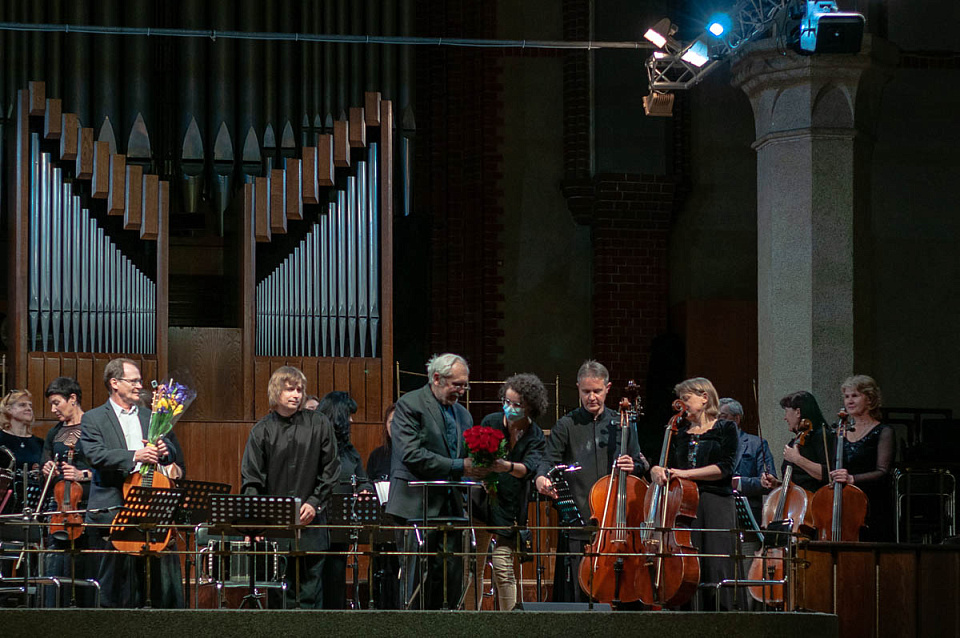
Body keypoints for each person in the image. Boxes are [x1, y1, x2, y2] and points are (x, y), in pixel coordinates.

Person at [535, 360, 648, 603]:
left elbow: (641, 464)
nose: (592, 397)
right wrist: (541, 478)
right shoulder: (566, 425)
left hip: (617, 524)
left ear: (608, 388)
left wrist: (634, 466)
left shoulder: (622, 423)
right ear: (578, 388)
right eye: (586, 391)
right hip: (580, 519)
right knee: (576, 592)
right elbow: (548, 461)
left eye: (597, 391)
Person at [80, 357, 185, 608]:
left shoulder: (151, 416)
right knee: (113, 593)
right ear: (114, 383)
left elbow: (171, 451)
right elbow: (95, 455)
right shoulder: (94, 418)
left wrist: (164, 450)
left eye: (140, 381)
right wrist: (134, 456)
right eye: (134, 381)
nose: (140, 386)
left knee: (150, 591)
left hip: (147, 510)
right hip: (112, 510)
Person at [386, 353, 485, 609]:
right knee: (416, 584)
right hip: (415, 507)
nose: (462, 391)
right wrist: (459, 466)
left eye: (465, 385)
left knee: (450, 582)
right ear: (437, 378)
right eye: (457, 384)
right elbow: (411, 454)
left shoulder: (463, 415)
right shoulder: (410, 404)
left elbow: (466, 456)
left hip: (451, 509)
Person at [241, 366, 340, 608]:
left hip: (312, 528)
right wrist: (255, 523)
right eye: (289, 389)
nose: (296, 394)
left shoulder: (319, 423)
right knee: (279, 599)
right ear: (276, 392)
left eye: (299, 389)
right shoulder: (261, 431)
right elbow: (252, 480)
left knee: (310, 597)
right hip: (276, 532)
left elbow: (331, 469)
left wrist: (314, 503)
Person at [650, 377, 738, 610]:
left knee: (716, 564)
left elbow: (725, 468)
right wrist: (656, 470)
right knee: (688, 562)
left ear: (704, 398)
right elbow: (666, 466)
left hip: (716, 503)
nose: (682, 404)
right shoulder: (680, 433)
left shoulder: (725, 428)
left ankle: (720, 616)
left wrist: (685, 474)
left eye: (686, 398)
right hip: (685, 504)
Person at [472, 373, 548, 611]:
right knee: (474, 565)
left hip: (511, 506)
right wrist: (483, 472)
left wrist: (506, 467)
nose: (509, 408)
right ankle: (469, 620)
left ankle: (509, 623)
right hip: (483, 503)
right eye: (506, 401)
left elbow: (530, 469)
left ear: (530, 407)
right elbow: (476, 457)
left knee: (503, 566)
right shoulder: (491, 422)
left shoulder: (535, 435)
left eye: (517, 404)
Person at [40, 377, 95, 607]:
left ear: (73, 399)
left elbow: (107, 466)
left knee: (86, 560)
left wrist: (83, 474)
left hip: (87, 503)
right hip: (59, 505)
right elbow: (45, 462)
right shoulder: (54, 433)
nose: (53, 409)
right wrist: (47, 469)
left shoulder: (93, 426)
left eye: (57, 403)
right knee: (54, 559)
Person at [316, 390, 374, 609]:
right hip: (317, 524)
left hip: (340, 526)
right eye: (348, 415)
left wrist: (365, 489)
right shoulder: (315, 445)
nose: (351, 420)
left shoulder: (349, 450)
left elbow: (362, 479)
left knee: (336, 578)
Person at [718, 396, 776, 610]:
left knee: (746, 574)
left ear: (736, 419)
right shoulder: (713, 444)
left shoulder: (755, 443)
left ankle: (747, 618)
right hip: (718, 518)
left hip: (747, 521)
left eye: (723, 417)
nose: (718, 422)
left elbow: (768, 481)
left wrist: (739, 483)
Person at [830, 375, 894, 542]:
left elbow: (883, 471)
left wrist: (852, 479)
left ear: (870, 399)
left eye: (855, 396)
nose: (849, 401)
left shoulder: (883, 431)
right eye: (846, 396)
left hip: (872, 504)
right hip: (845, 503)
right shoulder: (840, 432)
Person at [365, 403, 401, 609]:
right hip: (381, 525)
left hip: (404, 526)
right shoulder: (377, 455)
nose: (394, 426)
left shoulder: (411, 455)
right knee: (380, 571)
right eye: (391, 422)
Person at [762, 390, 831, 494]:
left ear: (798, 412)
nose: (785, 418)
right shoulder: (794, 443)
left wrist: (797, 459)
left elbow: (828, 474)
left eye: (786, 411)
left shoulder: (822, 436)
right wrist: (776, 484)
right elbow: (797, 485)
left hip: (817, 499)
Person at [0, 389, 44, 512]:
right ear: (8, 409)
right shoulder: (1, 440)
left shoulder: (40, 443)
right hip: (5, 503)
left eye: (30, 405)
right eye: (22, 405)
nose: (28, 408)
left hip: (33, 502)